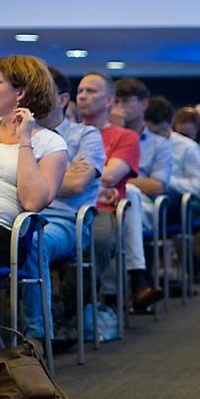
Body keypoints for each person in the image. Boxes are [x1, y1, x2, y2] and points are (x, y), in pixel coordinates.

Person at [0, 56, 68, 351]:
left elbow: (33, 201)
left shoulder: (50, 143)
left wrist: (25, 140)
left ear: (20, 93)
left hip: (2, 235)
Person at [20, 66, 106, 341]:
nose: (31, 101)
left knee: (33, 241)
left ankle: (37, 336)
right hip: (21, 213)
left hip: (67, 220)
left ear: (61, 99)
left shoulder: (86, 135)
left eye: (40, 93)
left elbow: (77, 185)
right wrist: (60, 172)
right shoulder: (21, 133)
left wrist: (31, 173)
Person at [75, 73, 142, 305]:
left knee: (99, 238)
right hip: (65, 203)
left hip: (102, 208)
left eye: (91, 91)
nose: (83, 96)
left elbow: (111, 175)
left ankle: (77, 302)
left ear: (108, 101)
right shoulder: (67, 132)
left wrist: (79, 171)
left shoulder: (126, 136)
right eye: (80, 91)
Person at [112, 78, 171, 311]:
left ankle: (119, 292)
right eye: (115, 100)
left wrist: (122, 178)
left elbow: (157, 185)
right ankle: (138, 281)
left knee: (131, 195)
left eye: (126, 101)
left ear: (144, 104)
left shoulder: (159, 144)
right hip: (103, 199)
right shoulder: (99, 136)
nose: (119, 107)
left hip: (144, 206)